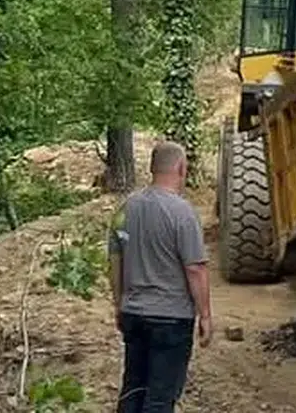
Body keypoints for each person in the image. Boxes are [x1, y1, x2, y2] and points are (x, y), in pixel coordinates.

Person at [108, 141, 213, 413]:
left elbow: (115, 260)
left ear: (152, 168)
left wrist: (119, 304)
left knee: (132, 389)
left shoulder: (124, 210)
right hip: (171, 319)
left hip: (134, 314)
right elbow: (195, 268)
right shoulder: (182, 212)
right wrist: (205, 315)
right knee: (159, 397)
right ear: (181, 167)